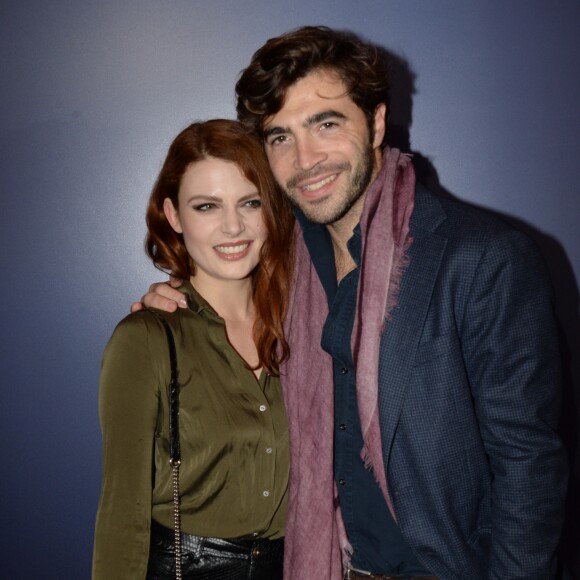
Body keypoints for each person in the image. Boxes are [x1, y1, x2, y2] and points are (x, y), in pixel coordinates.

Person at [136, 27, 567, 580]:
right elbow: (220, 314)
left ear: (377, 123)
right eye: (280, 137)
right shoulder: (278, 266)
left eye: (326, 123)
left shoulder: (484, 257)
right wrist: (170, 304)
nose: (305, 159)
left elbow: (528, 464)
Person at [93, 119, 294, 579]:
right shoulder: (144, 340)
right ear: (174, 215)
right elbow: (122, 513)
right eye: (206, 206)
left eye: (250, 202)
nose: (232, 226)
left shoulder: (305, 330)